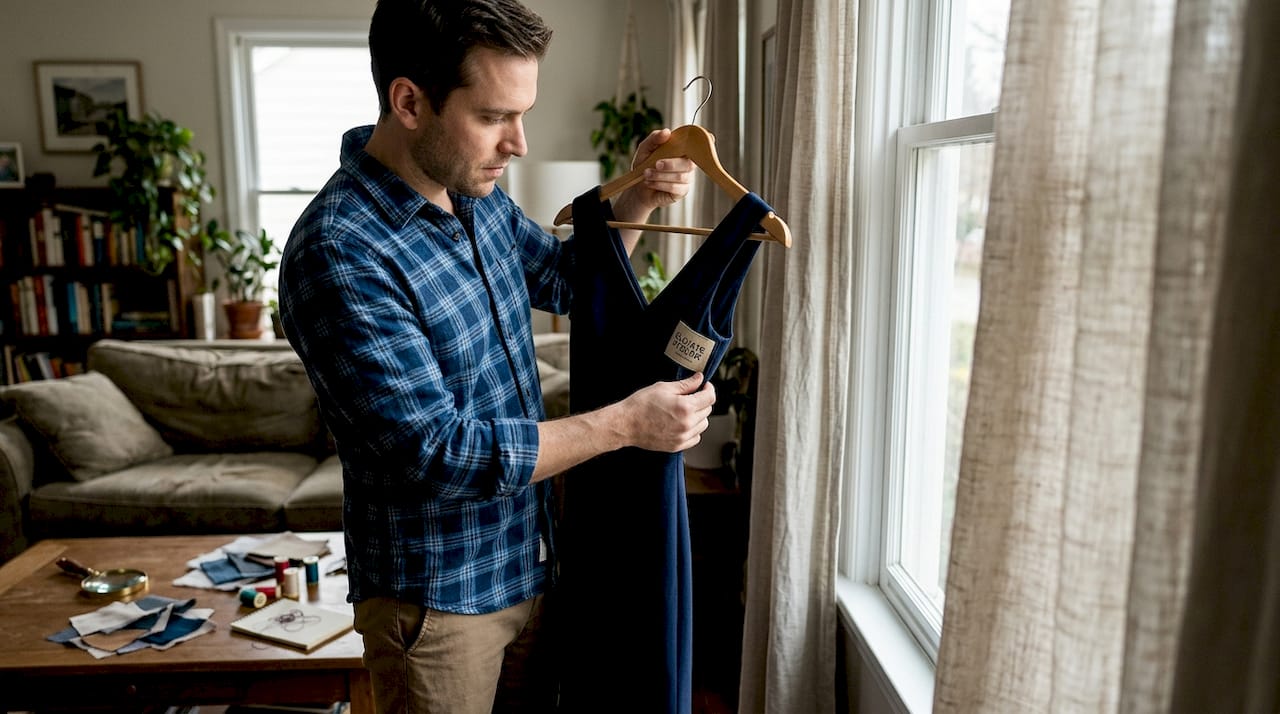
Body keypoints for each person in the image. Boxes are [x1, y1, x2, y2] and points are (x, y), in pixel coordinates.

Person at [277, 0, 713, 712]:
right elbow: (438, 453)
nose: (519, 144)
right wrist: (625, 425)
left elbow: (568, 280)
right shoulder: (341, 252)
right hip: (439, 606)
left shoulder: (472, 192)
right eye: (493, 117)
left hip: (529, 563)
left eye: (522, 113)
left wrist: (637, 196)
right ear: (410, 101)